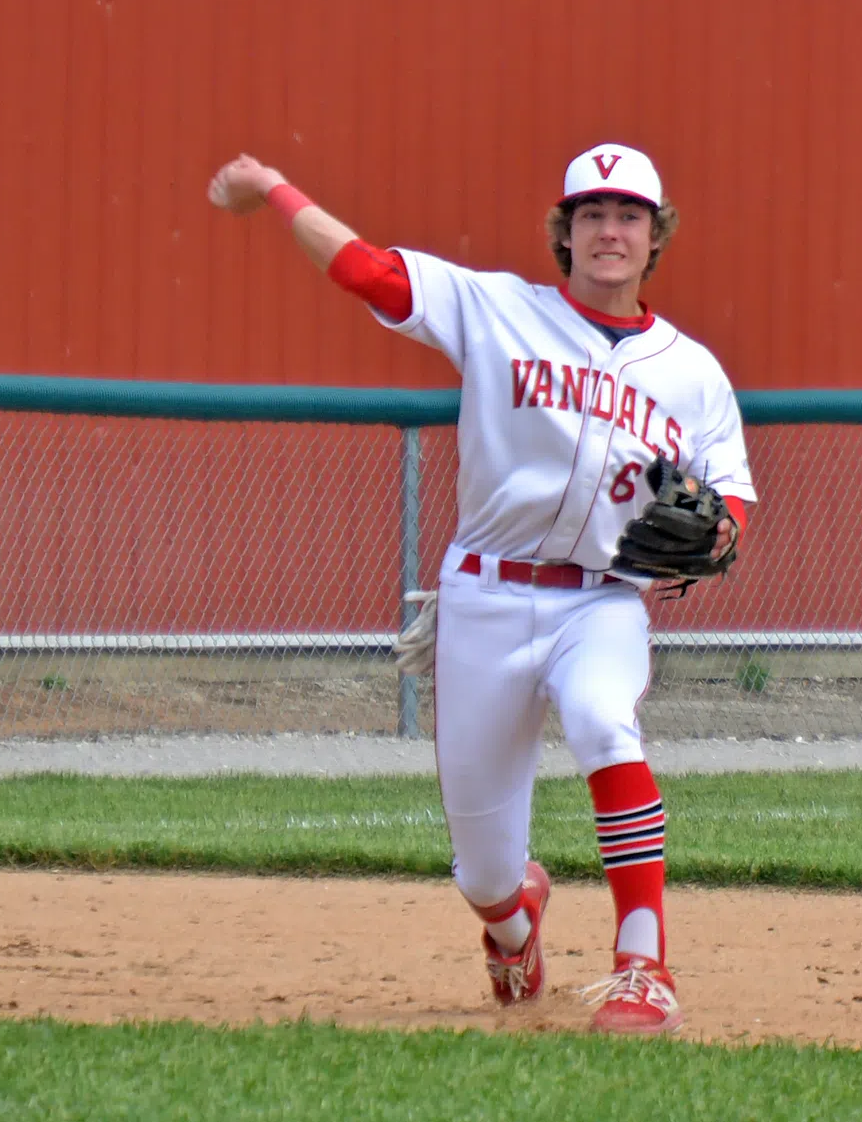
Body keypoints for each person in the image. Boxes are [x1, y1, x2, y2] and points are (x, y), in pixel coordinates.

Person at [207, 143, 755, 1034]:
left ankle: (642, 965)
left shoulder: (692, 372)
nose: (609, 231)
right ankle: (514, 921)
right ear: (564, 234)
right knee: (484, 873)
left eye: (628, 217)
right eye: (591, 216)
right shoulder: (499, 308)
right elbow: (368, 273)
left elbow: (729, 493)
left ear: (655, 238)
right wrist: (272, 188)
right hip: (485, 600)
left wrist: (722, 527)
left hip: (600, 598)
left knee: (604, 720)